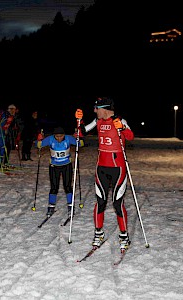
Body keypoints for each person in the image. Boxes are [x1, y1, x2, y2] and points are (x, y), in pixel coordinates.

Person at [75, 97, 134, 252]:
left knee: (117, 203)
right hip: (101, 168)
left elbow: (131, 136)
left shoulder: (120, 120)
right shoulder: (97, 121)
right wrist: (79, 121)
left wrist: (121, 128)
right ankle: (98, 233)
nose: (95, 111)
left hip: (118, 169)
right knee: (100, 201)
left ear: (105, 108)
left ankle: (124, 236)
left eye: (97, 108)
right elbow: (81, 133)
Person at [36, 127, 83, 218]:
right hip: (54, 166)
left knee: (67, 186)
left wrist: (79, 137)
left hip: (66, 166)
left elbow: (80, 144)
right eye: (57, 136)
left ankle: (70, 206)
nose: (59, 138)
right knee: (54, 187)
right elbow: (39, 145)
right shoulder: (50, 139)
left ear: (64, 135)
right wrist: (39, 138)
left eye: (61, 136)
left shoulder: (68, 138)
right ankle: (51, 206)